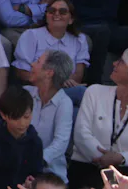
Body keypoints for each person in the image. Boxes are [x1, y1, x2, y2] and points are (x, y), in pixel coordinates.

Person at [70, 48, 128, 189]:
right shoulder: (94, 92)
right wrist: (105, 161)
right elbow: (81, 134)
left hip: (126, 172)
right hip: (87, 167)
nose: (114, 63)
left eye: (121, 62)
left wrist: (122, 158)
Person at [12, 0, 90, 104]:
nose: (56, 14)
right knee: (82, 93)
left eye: (62, 12)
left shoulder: (79, 40)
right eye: (52, 11)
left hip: (66, 91)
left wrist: (63, 84)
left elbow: (78, 75)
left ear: (71, 19)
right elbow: (22, 72)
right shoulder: (31, 35)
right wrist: (56, 82)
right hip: (37, 91)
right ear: (46, 16)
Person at [24, 50, 74, 182]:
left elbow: (60, 143)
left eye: (38, 61)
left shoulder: (64, 103)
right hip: (20, 169)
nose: (32, 64)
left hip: (51, 175)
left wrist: (36, 160)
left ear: (49, 73)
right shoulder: (25, 93)